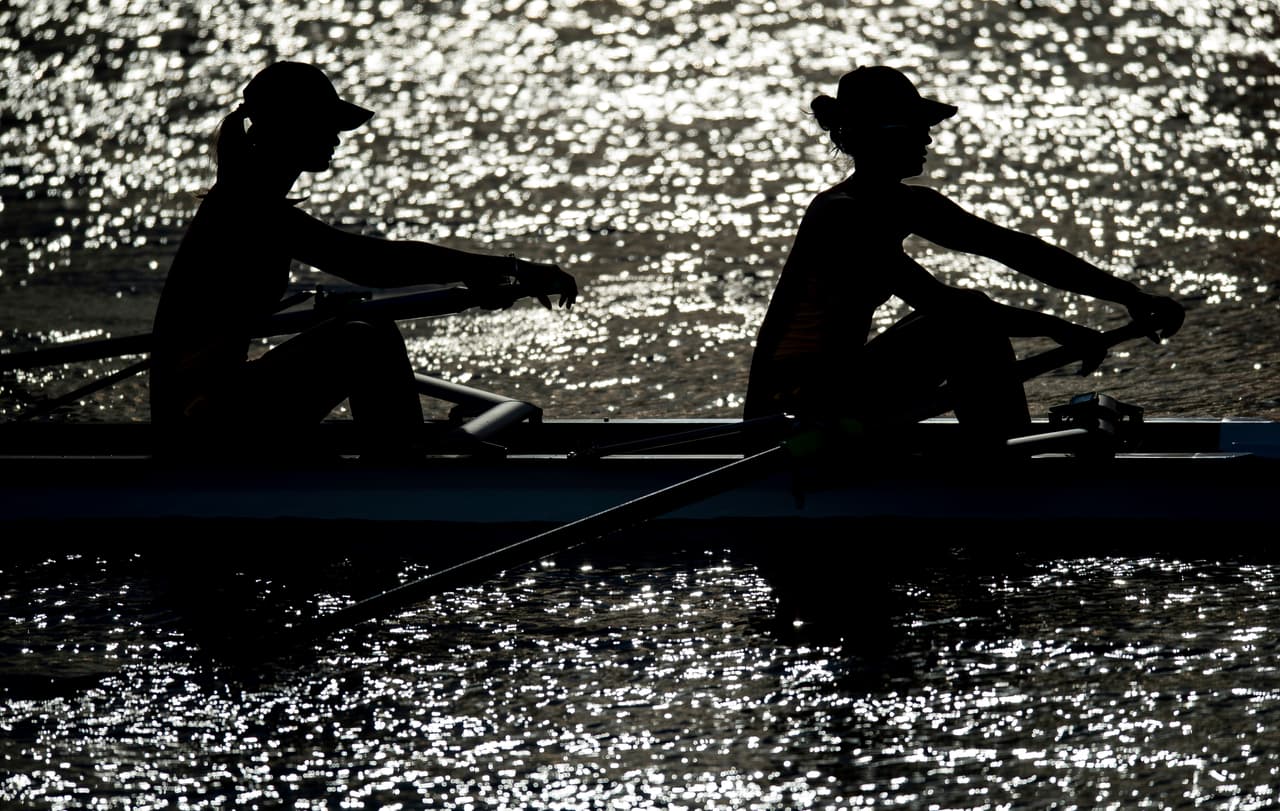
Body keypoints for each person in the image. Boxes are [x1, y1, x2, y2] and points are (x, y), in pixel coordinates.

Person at [743, 65, 1184, 449]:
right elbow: (939, 304)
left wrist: (1131, 296)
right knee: (969, 315)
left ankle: (1003, 450)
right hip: (791, 413)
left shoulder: (909, 203)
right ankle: (1006, 467)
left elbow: (1019, 251)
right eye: (916, 127)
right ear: (883, 134)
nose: (928, 137)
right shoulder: (842, 216)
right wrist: (1058, 329)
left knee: (973, 312)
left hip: (838, 392)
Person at [150, 61, 577, 457]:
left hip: (214, 402)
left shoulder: (246, 202)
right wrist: (503, 268)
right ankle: (404, 473)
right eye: (326, 126)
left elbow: (361, 262)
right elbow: (371, 263)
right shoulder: (247, 209)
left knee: (370, 326)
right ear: (290, 127)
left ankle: (401, 456)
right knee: (362, 340)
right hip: (199, 419)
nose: (336, 139)